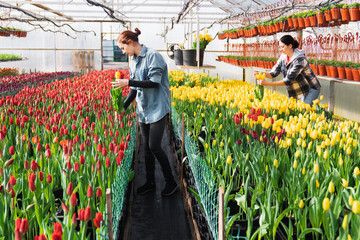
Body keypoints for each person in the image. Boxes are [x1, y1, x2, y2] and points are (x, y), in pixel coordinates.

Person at [111, 28, 178, 196]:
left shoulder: (153, 56)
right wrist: (123, 107)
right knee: (146, 149)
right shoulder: (133, 60)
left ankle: (171, 182)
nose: (123, 51)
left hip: (157, 108)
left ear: (131, 43)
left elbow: (154, 83)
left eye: (123, 48)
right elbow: (134, 88)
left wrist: (129, 82)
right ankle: (150, 182)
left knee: (154, 146)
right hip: (143, 109)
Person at [256, 35, 321, 106]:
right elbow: (273, 73)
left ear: (290, 46)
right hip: (298, 88)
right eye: (280, 47)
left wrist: (267, 83)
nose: (280, 49)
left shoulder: (300, 60)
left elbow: (287, 81)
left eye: (283, 47)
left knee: (305, 110)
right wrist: (261, 74)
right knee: (298, 110)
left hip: (310, 88)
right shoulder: (283, 57)